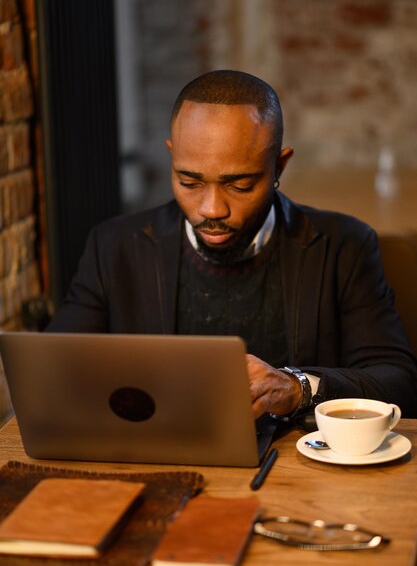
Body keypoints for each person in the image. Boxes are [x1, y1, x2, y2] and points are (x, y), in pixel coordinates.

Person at [46, 70, 417, 419]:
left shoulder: (343, 246)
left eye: (239, 185)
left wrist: (298, 388)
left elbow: (398, 382)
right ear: (172, 156)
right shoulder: (115, 247)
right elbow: (52, 369)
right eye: (189, 182)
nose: (211, 209)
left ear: (279, 167)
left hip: (297, 469)